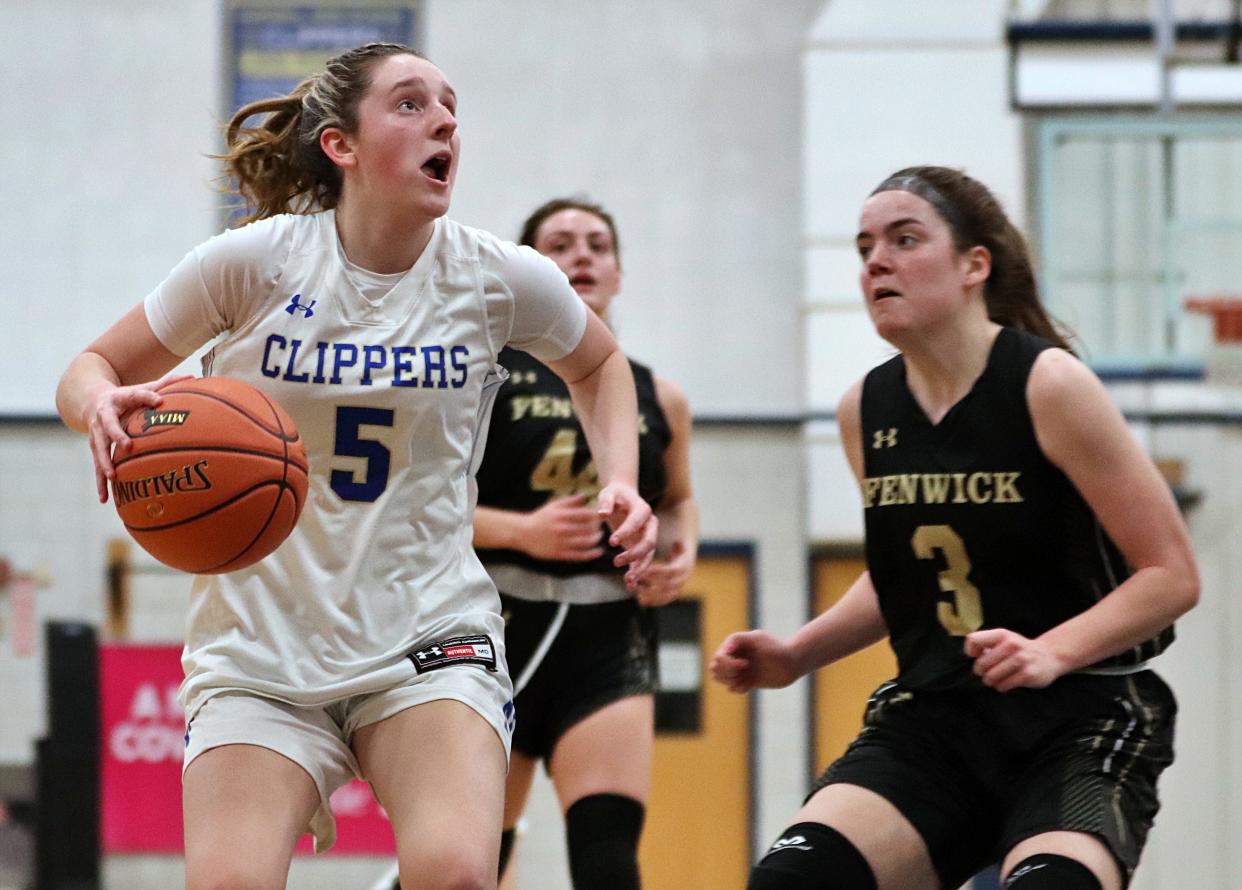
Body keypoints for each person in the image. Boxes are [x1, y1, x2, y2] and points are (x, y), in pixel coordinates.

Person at [54, 43, 657, 890]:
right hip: (260, 650)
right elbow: (90, 367)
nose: (444, 119)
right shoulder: (254, 263)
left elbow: (599, 365)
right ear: (341, 144)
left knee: (454, 875)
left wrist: (620, 476)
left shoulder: (495, 277)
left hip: (428, 633)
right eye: (411, 104)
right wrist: (100, 406)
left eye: (450, 107)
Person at [711, 165, 1199, 890]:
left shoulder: (1049, 385)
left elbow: (1172, 575)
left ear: (976, 264)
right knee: (791, 881)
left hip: (1083, 715)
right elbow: (902, 575)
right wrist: (796, 654)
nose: (877, 261)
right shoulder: (865, 410)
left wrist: (1050, 653)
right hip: (938, 717)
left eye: (905, 239)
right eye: (865, 246)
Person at [473, 198, 698, 890]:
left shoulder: (657, 392)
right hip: (497, 626)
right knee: (478, 860)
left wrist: (681, 551)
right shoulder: (486, 373)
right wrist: (521, 532)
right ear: (530, 270)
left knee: (608, 862)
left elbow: (679, 500)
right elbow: (420, 505)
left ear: (620, 273)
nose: (583, 256)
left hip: (608, 634)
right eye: (561, 244)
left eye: (599, 244)